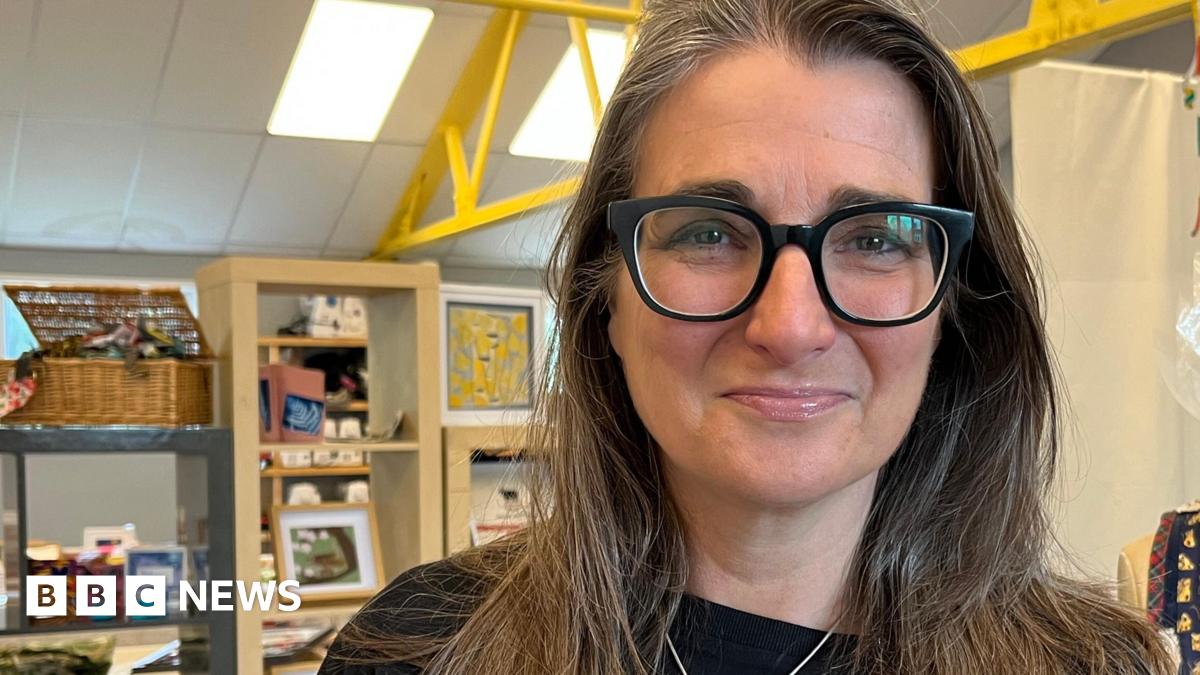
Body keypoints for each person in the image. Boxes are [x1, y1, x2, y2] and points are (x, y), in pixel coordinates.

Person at [321, 0, 1173, 672]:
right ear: (605, 296)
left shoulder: (1095, 664)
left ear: (954, 304)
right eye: (708, 232)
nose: (791, 326)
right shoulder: (421, 651)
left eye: (876, 238)